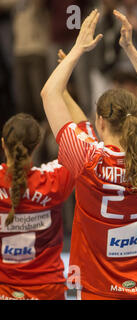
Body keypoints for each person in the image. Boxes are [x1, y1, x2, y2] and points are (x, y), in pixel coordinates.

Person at [40, 9, 137, 300]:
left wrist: (77, 51)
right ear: (136, 118)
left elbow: (48, 93)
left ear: (100, 122)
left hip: (98, 286)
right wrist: (130, 49)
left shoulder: (86, 156)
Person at [0, 113, 75, 300]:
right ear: (37, 145)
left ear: (3, 144)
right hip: (48, 290)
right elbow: (78, 143)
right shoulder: (53, 181)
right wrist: (59, 95)